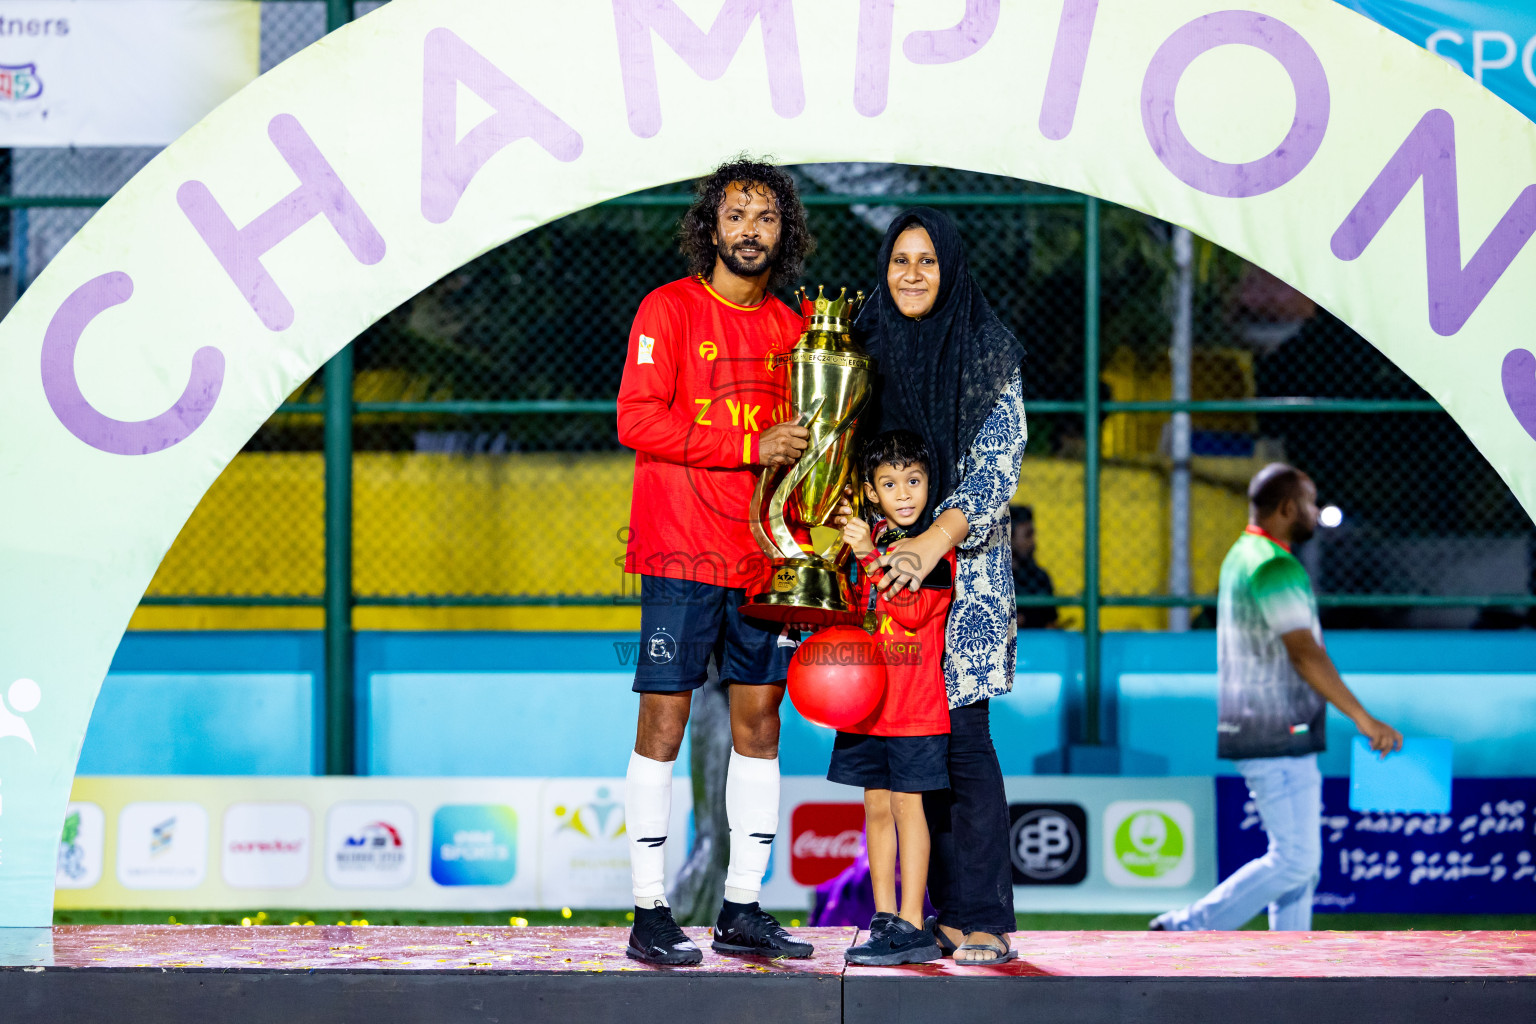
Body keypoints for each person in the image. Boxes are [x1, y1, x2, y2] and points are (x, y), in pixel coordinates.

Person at [616, 158, 817, 965]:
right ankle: (648, 913)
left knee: (761, 724)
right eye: (735, 214)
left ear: (784, 233)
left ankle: (742, 908)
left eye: (766, 218)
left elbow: (807, 451)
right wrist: (747, 443)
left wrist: (819, 525)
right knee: (664, 722)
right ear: (710, 225)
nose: (749, 230)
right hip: (677, 550)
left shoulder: (800, 332)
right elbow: (637, 420)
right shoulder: (666, 308)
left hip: (764, 561)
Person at [844, 208, 1027, 964]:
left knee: (963, 746)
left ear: (949, 268)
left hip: (968, 575)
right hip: (881, 574)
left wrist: (930, 544)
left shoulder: (988, 349)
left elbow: (996, 466)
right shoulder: (865, 344)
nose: (912, 273)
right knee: (906, 757)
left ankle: (980, 916)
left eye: (926, 260)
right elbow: (846, 453)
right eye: (899, 260)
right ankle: (932, 919)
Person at [1151, 463, 1403, 932]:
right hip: (1274, 730)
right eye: (1310, 502)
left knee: (1300, 865)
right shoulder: (1273, 564)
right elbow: (1305, 653)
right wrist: (1364, 720)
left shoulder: (1242, 554)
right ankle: (1186, 928)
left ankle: (1291, 961)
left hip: (1275, 728)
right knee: (1296, 859)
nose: (1315, 511)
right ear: (1288, 507)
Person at [831, 431, 954, 966]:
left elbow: (906, 612)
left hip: (915, 710)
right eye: (889, 483)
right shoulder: (874, 544)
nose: (903, 493)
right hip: (867, 708)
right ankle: (884, 919)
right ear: (872, 491)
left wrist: (867, 552)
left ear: (930, 486)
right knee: (876, 808)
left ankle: (911, 923)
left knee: (909, 808)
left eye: (913, 481)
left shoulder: (933, 554)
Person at [1010, 504, 1058, 629]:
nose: (1032, 542)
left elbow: (1051, 624)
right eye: (1027, 535)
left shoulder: (1039, 577)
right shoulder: (990, 577)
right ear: (1009, 537)